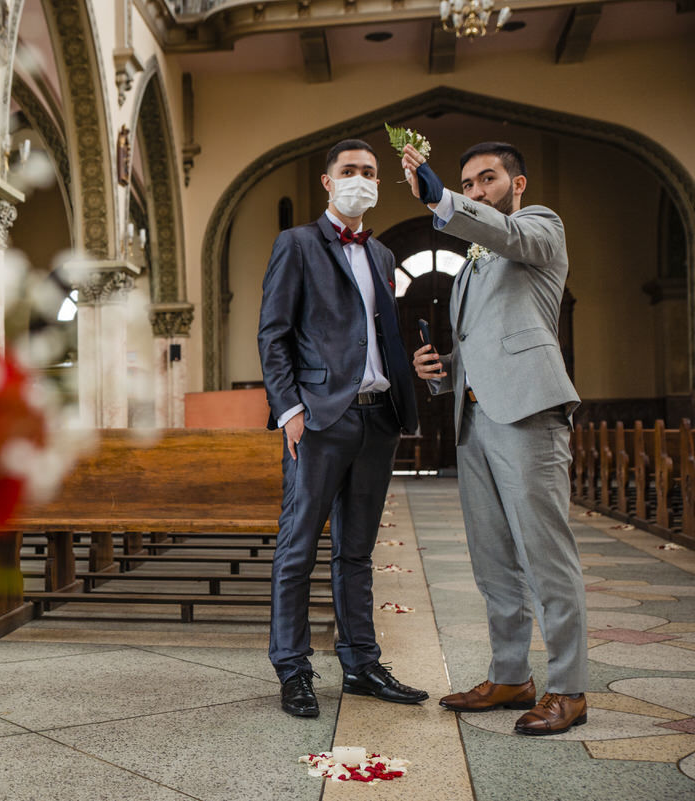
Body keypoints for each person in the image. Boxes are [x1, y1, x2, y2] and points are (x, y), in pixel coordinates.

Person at [402, 140, 588, 735]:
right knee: (492, 560)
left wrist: (439, 195)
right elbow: (484, 347)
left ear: (517, 184)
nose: (478, 190)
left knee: (545, 556)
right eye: (469, 182)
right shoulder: (470, 270)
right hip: (474, 421)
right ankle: (511, 675)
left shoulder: (539, 229)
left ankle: (569, 687)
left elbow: (511, 237)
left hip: (528, 413)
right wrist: (441, 369)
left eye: (488, 179)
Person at [258, 139, 426, 719]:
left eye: (370, 172)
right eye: (349, 171)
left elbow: (380, 337)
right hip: (320, 418)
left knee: (356, 552)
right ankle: (294, 669)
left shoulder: (381, 255)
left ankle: (361, 663)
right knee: (298, 547)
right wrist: (290, 410)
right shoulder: (297, 244)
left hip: (377, 418)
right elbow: (273, 334)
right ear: (327, 182)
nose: (361, 179)